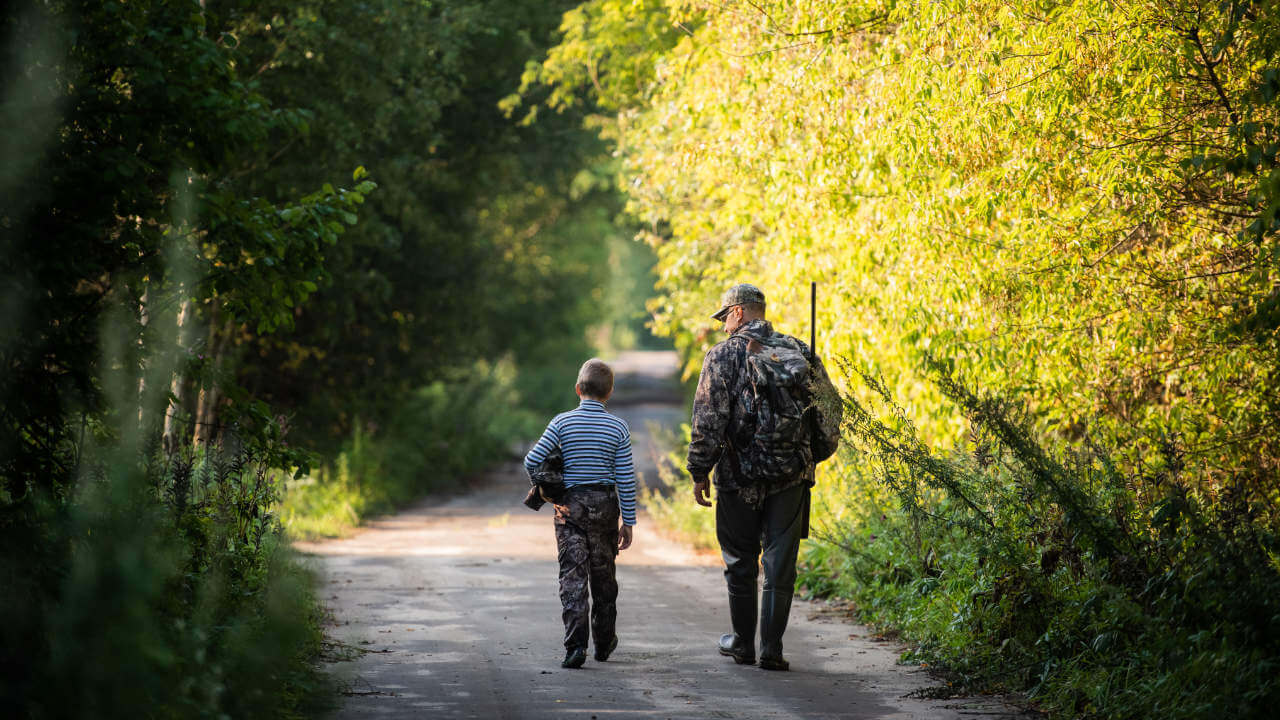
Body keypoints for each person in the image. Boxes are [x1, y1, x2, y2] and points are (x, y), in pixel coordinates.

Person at [687, 283, 840, 671]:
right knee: (779, 563)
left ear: (738, 313)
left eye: (725, 318)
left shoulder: (721, 356)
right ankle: (771, 648)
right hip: (790, 476)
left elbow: (708, 419)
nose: (723, 327)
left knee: (740, 559)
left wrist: (699, 470)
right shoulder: (800, 352)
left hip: (739, 475)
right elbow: (830, 412)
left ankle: (741, 643)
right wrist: (808, 458)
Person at [524, 358, 637, 669]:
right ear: (609, 393)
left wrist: (550, 490)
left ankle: (575, 647)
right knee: (604, 578)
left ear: (577, 389)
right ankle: (604, 642)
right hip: (605, 510)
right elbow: (625, 477)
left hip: (569, 510)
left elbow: (532, 461)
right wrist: (628, 521)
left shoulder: (561, 423)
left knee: (572, 578)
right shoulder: (618, 427)